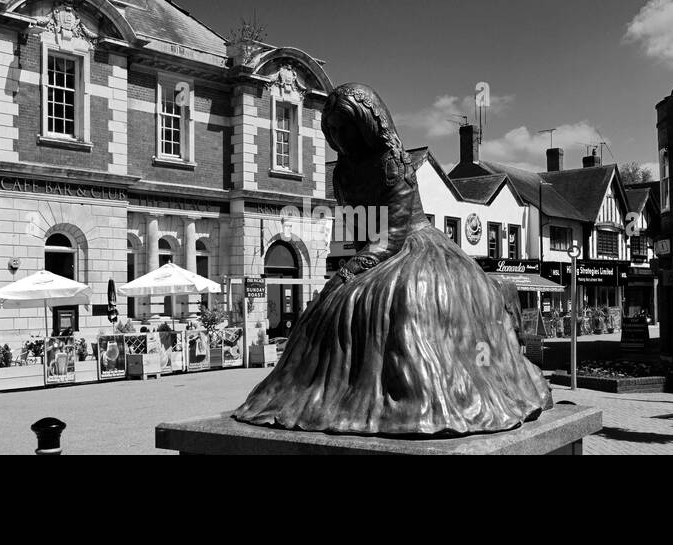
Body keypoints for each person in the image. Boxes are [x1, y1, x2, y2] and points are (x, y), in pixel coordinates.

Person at [233, 83, 552, 436]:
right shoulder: (342, 172)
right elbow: (360, 231)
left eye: (345, 127)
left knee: (398, 299)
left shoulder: (393, 164)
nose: (339, 137)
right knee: (329, 308)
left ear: (367, 124)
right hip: (376, 249)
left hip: (414, 244)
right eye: (332, 130)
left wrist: (351, 271)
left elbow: (392, 232)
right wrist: (349, 270)